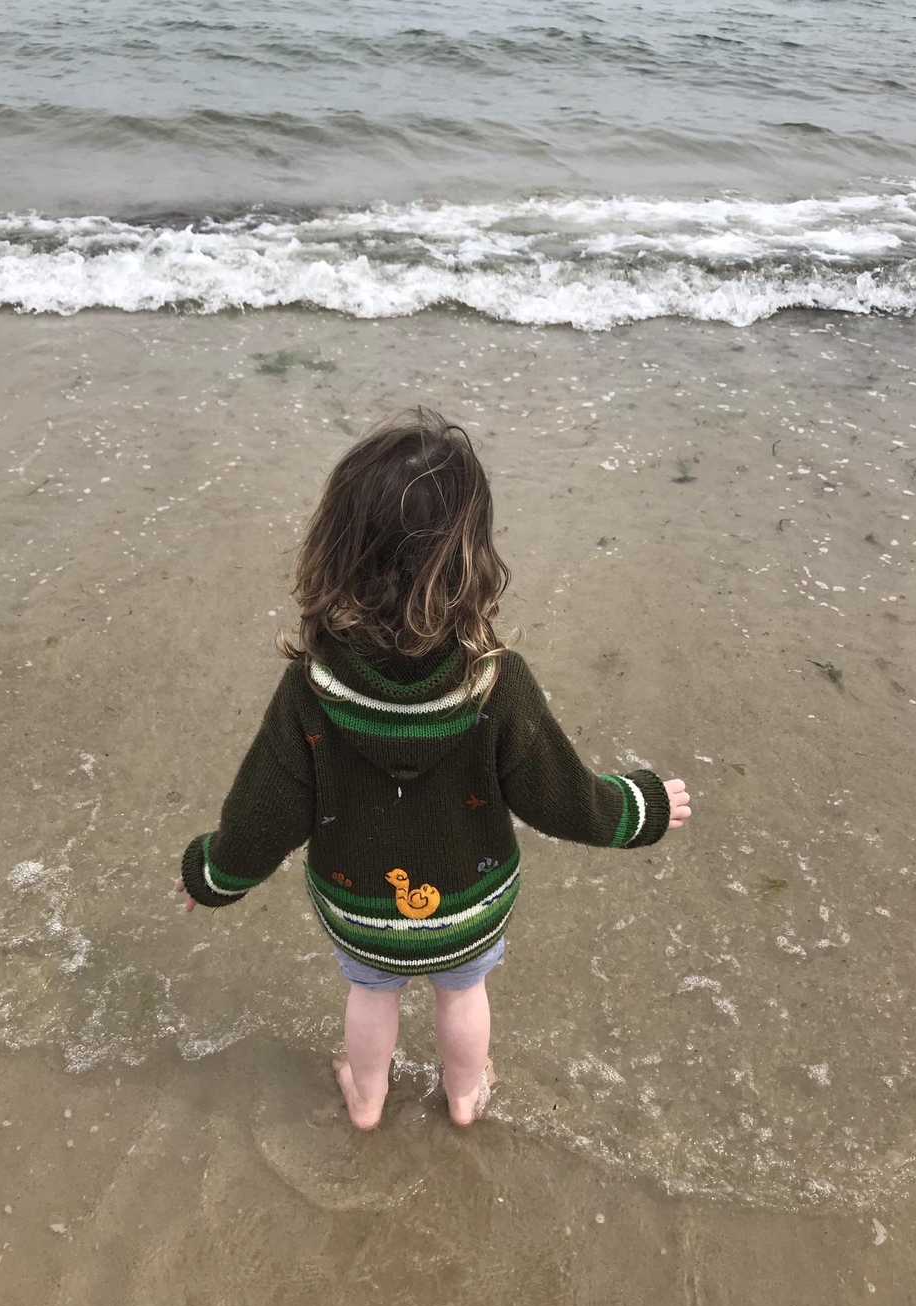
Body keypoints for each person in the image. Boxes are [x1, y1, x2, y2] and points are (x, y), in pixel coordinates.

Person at [177, 409, 692, 1130]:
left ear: (336, 548)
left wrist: (214, 872)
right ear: (471, 559)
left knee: (370, 997)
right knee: (464, 995)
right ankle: (464, 1093)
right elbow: (560, 795)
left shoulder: (313, 688)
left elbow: (267, 809)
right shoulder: (495, 681)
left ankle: (366, 1094)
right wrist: (637, 809)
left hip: (361, 908)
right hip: (468, 904)